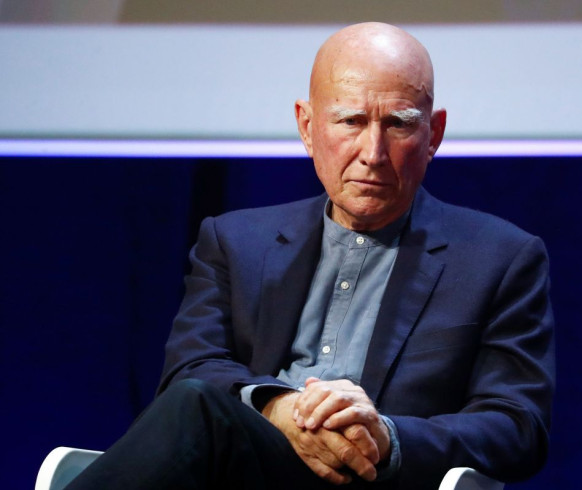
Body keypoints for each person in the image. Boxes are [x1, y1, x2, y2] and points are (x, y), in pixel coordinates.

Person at [67, 22, 554, 490]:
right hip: (244, 469)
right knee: (195, 402)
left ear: (435, 134)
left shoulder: (500, 258)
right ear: (306, 126)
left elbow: (518, 427)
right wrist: (278, 406)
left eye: (399, 124)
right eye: (351, 121)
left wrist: (387, 435)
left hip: (373, 477)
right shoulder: (236, 240)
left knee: (198, 406)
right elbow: (187, 373)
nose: (373, 152)